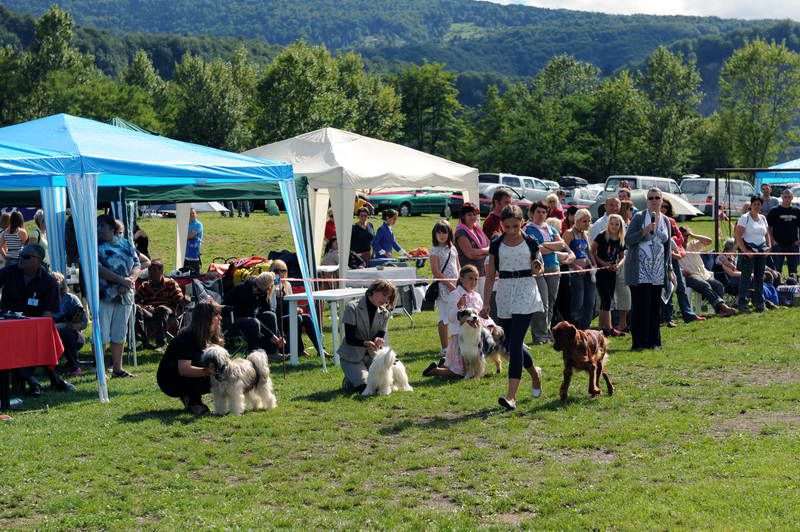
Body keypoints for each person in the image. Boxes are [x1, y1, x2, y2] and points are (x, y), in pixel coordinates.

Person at [482, 205, 544, 411]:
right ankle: (535, 373)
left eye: (515, 226)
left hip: (526, 291)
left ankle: (511, 397)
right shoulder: (496, 243)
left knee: (516, 344)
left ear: (522, 223)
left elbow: (539, 266)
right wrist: (486, 302)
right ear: (502, 224)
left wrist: (537, 266)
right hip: (506, 293)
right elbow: (491, 275)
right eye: (507, 226)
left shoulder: (530, 241)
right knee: (511, 344)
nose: (511, 230)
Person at [0, 243, 75, 395]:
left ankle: (39, 380)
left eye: (26, 257)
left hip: (35, 328)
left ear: (38, 260)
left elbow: (47, 316)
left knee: (40, 340)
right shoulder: (9, 272)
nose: (21, 259)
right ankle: (40, 380)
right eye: (20, 255)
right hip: (8, 325)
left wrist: (31, 329)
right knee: (10, 342)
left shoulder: (49, 282)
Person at [624, 188, 671, 350]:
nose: (654, 200)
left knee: (654, 308)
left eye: (657, 197)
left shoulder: (666, 221)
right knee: (640, 307)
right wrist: (644, 230)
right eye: (650, 198)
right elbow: (628, 240)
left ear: (662, 200)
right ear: (646, 201)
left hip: (657, 272)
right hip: (639, 271)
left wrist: (668, 269)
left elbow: (667, 247)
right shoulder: (639, 217)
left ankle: (654, 341)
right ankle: (639, 342)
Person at [423, 265, 490, 378]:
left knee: (471, 364)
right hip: (460, 338)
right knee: (460, 372)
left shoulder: (477, 296)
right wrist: (459, 306)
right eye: (470, 278)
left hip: (474, 337)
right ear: (462, 278)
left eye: (476, 279)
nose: (473, 282)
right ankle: (435, 370)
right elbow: (451, 317)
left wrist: (487, 320)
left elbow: (480, 316)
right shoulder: (455, 294)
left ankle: (446, 364)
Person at [156, 300, 222, 415]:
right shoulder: (187, 337)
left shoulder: (209, 336)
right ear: (206, 319)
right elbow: (184, 369)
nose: (220, 318)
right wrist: (210, 372)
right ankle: (194, 402)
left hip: (186, 374)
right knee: (203, 363)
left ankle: (190, 397)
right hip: (170, 380)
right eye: (216, 315)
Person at [97, 214, 140, 378]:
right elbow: (99, 269)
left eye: (103, 226)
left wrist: (130, 280)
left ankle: (117, 368)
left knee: (119, 333)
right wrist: (121, 281)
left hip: (125, 296)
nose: (99, 230)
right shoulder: (96, 246)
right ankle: (100, 370)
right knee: (102, 334)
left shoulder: (126, 243)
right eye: (98, 226)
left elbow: (137, 264)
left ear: (113, 229)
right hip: (105, 295)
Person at [525, 202, 573, 344]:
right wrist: (549, 246)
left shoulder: (551, 228)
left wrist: (544, 245)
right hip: (538, 268)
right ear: (532, 213)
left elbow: (563, 244)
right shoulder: (528, 229)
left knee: (551, 302)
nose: (541, 214)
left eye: (544, 212)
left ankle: (546, 333)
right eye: (538, 212)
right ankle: (539, 335)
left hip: (554, 267)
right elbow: (536, 250)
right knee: (542, 303)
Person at [338, 279, 396, 392]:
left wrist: (378, 340)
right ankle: (350, 380)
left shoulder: (385, 313)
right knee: (367, 388)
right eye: (384, 295)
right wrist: (366, 343)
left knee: (383, 385)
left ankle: (353, 378)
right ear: (373, 291)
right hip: (352, 358)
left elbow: (380, 334)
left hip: (372, 357)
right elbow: (350, 338)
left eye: (388, 298)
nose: (385, 300)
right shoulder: (352, 307)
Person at [222, 271, 286, 359]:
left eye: (260, 290)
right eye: (256, 287)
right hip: (230, 320)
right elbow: (251, 315)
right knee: (254, 322)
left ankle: (272, 352)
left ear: (267, 290)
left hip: (247, 318)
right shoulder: (242, 290)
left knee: (270, 315)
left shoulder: (263, 293)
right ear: (255, 282)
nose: (256, 290)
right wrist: (271, 335)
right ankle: (253, 355)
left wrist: (278, 335)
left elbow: (267, 311)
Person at [269, 259, 326, 358]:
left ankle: (321, 350)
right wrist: (276, 287)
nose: (280, 273)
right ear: (272, 272)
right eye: (276, 271)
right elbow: (272, 307)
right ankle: (299, 350)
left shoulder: (288, 285)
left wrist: (296, 309)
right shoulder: (270, 285)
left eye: (283, 271)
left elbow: (292, 301)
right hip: (277, 319)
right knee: (297, 318)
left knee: (306, 317)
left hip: (289, 315)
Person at [660, 199, 702, 326]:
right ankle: (668, 317)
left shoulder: (671, 221)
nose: (663, 209)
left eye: (666, 207)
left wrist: (672, 241)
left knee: (680, 287)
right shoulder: (652, 220)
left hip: (673, 257)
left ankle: (688, 315)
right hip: (659, 259)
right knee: (667, 288)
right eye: (662, 206)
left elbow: (680, 238)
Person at [677, 227, 737, 318]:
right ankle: (723, 307)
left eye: (686, 236)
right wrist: (681, 271)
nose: (685, 238)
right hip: (689, 276)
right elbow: (672, 263)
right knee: (705, 285)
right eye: (682, 236)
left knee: (718, 285)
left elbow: (709, 241)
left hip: (704, 274)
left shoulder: (692, 245)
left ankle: (720, 310)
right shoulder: (675, 248)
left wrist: (693, 235)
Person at [135, 260, 187, 351]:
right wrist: (144, 307)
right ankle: (143, 341)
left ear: (161, 271)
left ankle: (160, 343)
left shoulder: (170, 283)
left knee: (161, 309)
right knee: (136, 308)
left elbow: (179, 299)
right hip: (149, 312)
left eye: (154, 270)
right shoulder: (145, 285)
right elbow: (135, 301)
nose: (151, 272)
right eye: (150, 269)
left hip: (168, 311)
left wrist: (185, 299)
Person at [591, 214, 626, 337]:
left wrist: (618, 265)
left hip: (612, 271)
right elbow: (592, 250)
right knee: (605, 299)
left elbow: (622, 257)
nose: (614, 226)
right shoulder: (602, 235)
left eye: (617, 224)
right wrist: (601, 263)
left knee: (608, 300)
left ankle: (603, 328)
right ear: (608, 224)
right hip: (602, 271)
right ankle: (609, 328)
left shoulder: (620, 238)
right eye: (612, 224)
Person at [735, 195, 771, 312]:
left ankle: (760, 303)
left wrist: (768, 247)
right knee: (745, 278)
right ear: (751, 205)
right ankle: (742, 304)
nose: (756, 206)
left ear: (761, 206)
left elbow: (766, 234)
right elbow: (738, 236)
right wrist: (745, 251)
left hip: (761, 251)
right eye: (754, 204)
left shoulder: (763, 218)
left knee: (759, 278)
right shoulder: (744, 218)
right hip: (749, 251)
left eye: (759, 204)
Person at [429, 220, 460, 358]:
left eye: (444, 232)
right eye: (439, 232)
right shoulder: (434, 250)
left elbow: (458, 267)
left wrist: (459, 283)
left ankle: (456, 345)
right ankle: (444, 348)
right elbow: (436, 271)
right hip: (442, 287)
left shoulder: (453, 248)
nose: (441, 235)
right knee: (444, 317)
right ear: (434, 234)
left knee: (456, 316)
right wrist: (449, 285)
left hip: (456, 286)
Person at [563, 208, 596, 330]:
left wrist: (593, 264)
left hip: (588, 271)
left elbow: (589, 251)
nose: (588, 224)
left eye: (589, 221)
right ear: (577, 221)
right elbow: (564, 254)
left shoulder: (586, 234)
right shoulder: (569, 233)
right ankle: (574, 328)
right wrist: (575, 267)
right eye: (584, 221)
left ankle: (586, 328)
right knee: (578, 302)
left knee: (590, 302)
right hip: (575, 273)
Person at [51, 271, 87, 376]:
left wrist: (68, 325)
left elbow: (83, 322)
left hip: (73, 336)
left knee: (65, 333)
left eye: (56, 282)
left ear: (62, 284)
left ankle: (74, 367)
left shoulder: (71, 299)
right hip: (50, 335)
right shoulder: (44, 299)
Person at [767, 188, 800, 277]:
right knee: (776, 270)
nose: (787, 199)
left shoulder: (797, 211)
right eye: (785, 197)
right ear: (781, 197)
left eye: (789, 197)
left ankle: (793, 287)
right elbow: (768, 227)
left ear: (792, 198)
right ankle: (776, 287)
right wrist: (772, 241)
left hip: (793, 245)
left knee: (793, 271)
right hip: (778, 245)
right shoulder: (774, 211)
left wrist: (799, 241)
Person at [184, 208, 203, 274]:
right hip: (185, 252)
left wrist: (184, 235)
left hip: (194, 253)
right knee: (185, 273)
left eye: (193, 213)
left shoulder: (198, 224)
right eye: (190, 214)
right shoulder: (185, 223)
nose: (192, 215)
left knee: (194, 274)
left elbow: (191, 236)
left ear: (196, 214)